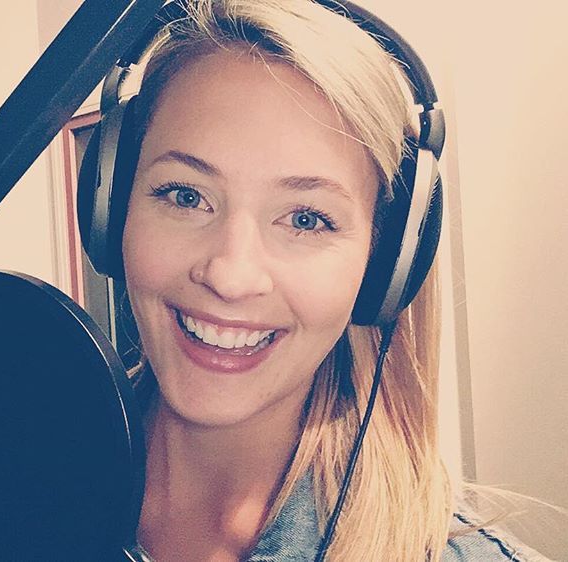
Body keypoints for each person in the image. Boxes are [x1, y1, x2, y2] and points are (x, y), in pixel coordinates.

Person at [85, 0, 551, 559]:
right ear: (113, 209)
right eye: (186, 196)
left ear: (384, 266)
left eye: (306, 220)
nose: (231, 276)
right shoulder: (1, 482)